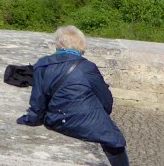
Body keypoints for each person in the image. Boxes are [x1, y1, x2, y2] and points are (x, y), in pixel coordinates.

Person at [17, 25, 128, 166]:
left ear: (59, 43)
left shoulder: (42, 64)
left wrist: (28, 120)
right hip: (87, 122)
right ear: (80, 45)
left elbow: (37, 103)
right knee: (116, 142)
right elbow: (106, 101)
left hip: (58, 119)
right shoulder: (88, 67)